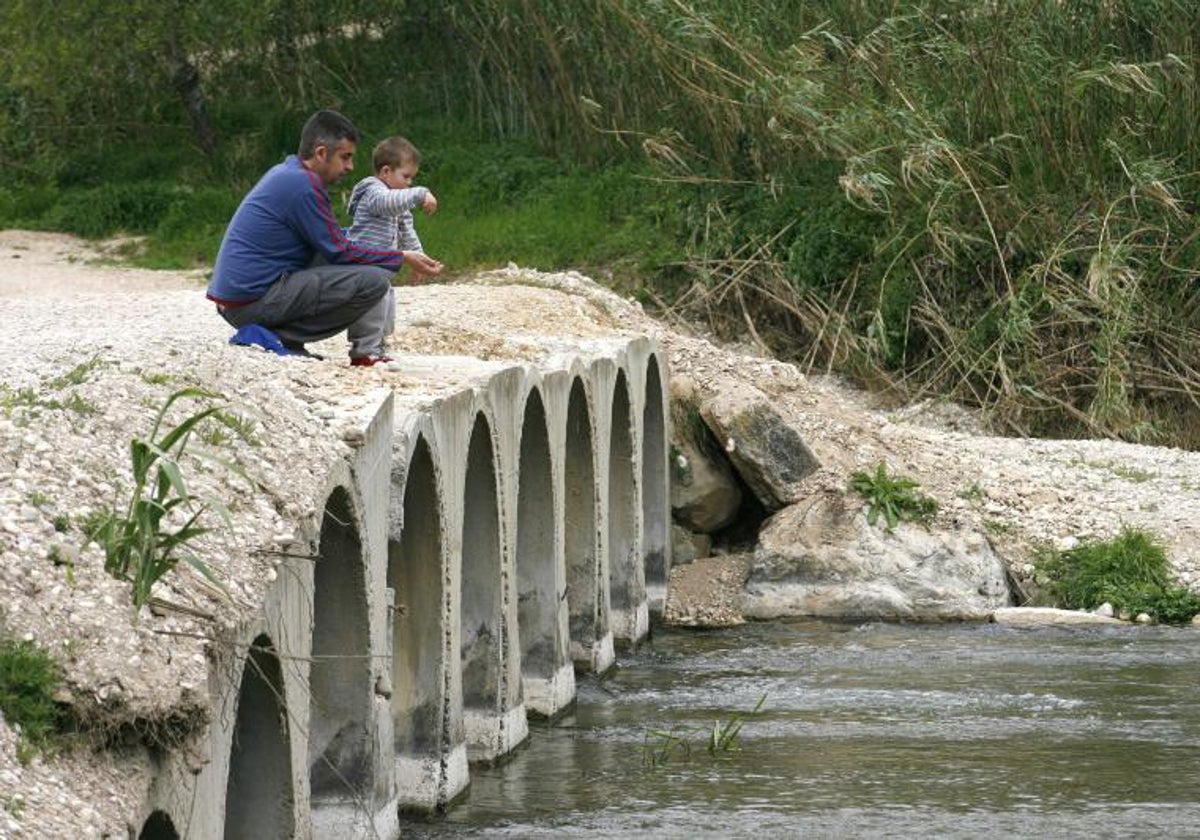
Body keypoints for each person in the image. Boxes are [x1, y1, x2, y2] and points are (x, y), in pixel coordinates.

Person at [206, 109, 442, 366]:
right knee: (373, 280)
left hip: (240, 301)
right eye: (345, 157)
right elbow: (340, 252)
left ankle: (279, 335)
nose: (350, 166)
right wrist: (402, 256)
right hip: (249, 305)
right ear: (321, 153)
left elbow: (330, 240)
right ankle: (278, 336)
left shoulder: (288, 173)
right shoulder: (303, 185)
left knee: (355, 257)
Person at [346, 136, 439, 356]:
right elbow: (385, 203)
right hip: (365, 264)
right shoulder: (373, 190)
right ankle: (364, 351)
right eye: (406, 177)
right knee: (371, 308)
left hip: (382, 267)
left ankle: (378, 346)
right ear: (386, 171)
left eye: (412, 180)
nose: (409, 183)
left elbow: (407, 233)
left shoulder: (399, 204)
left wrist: (420, 260)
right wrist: (420, 193)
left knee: (386, 309)